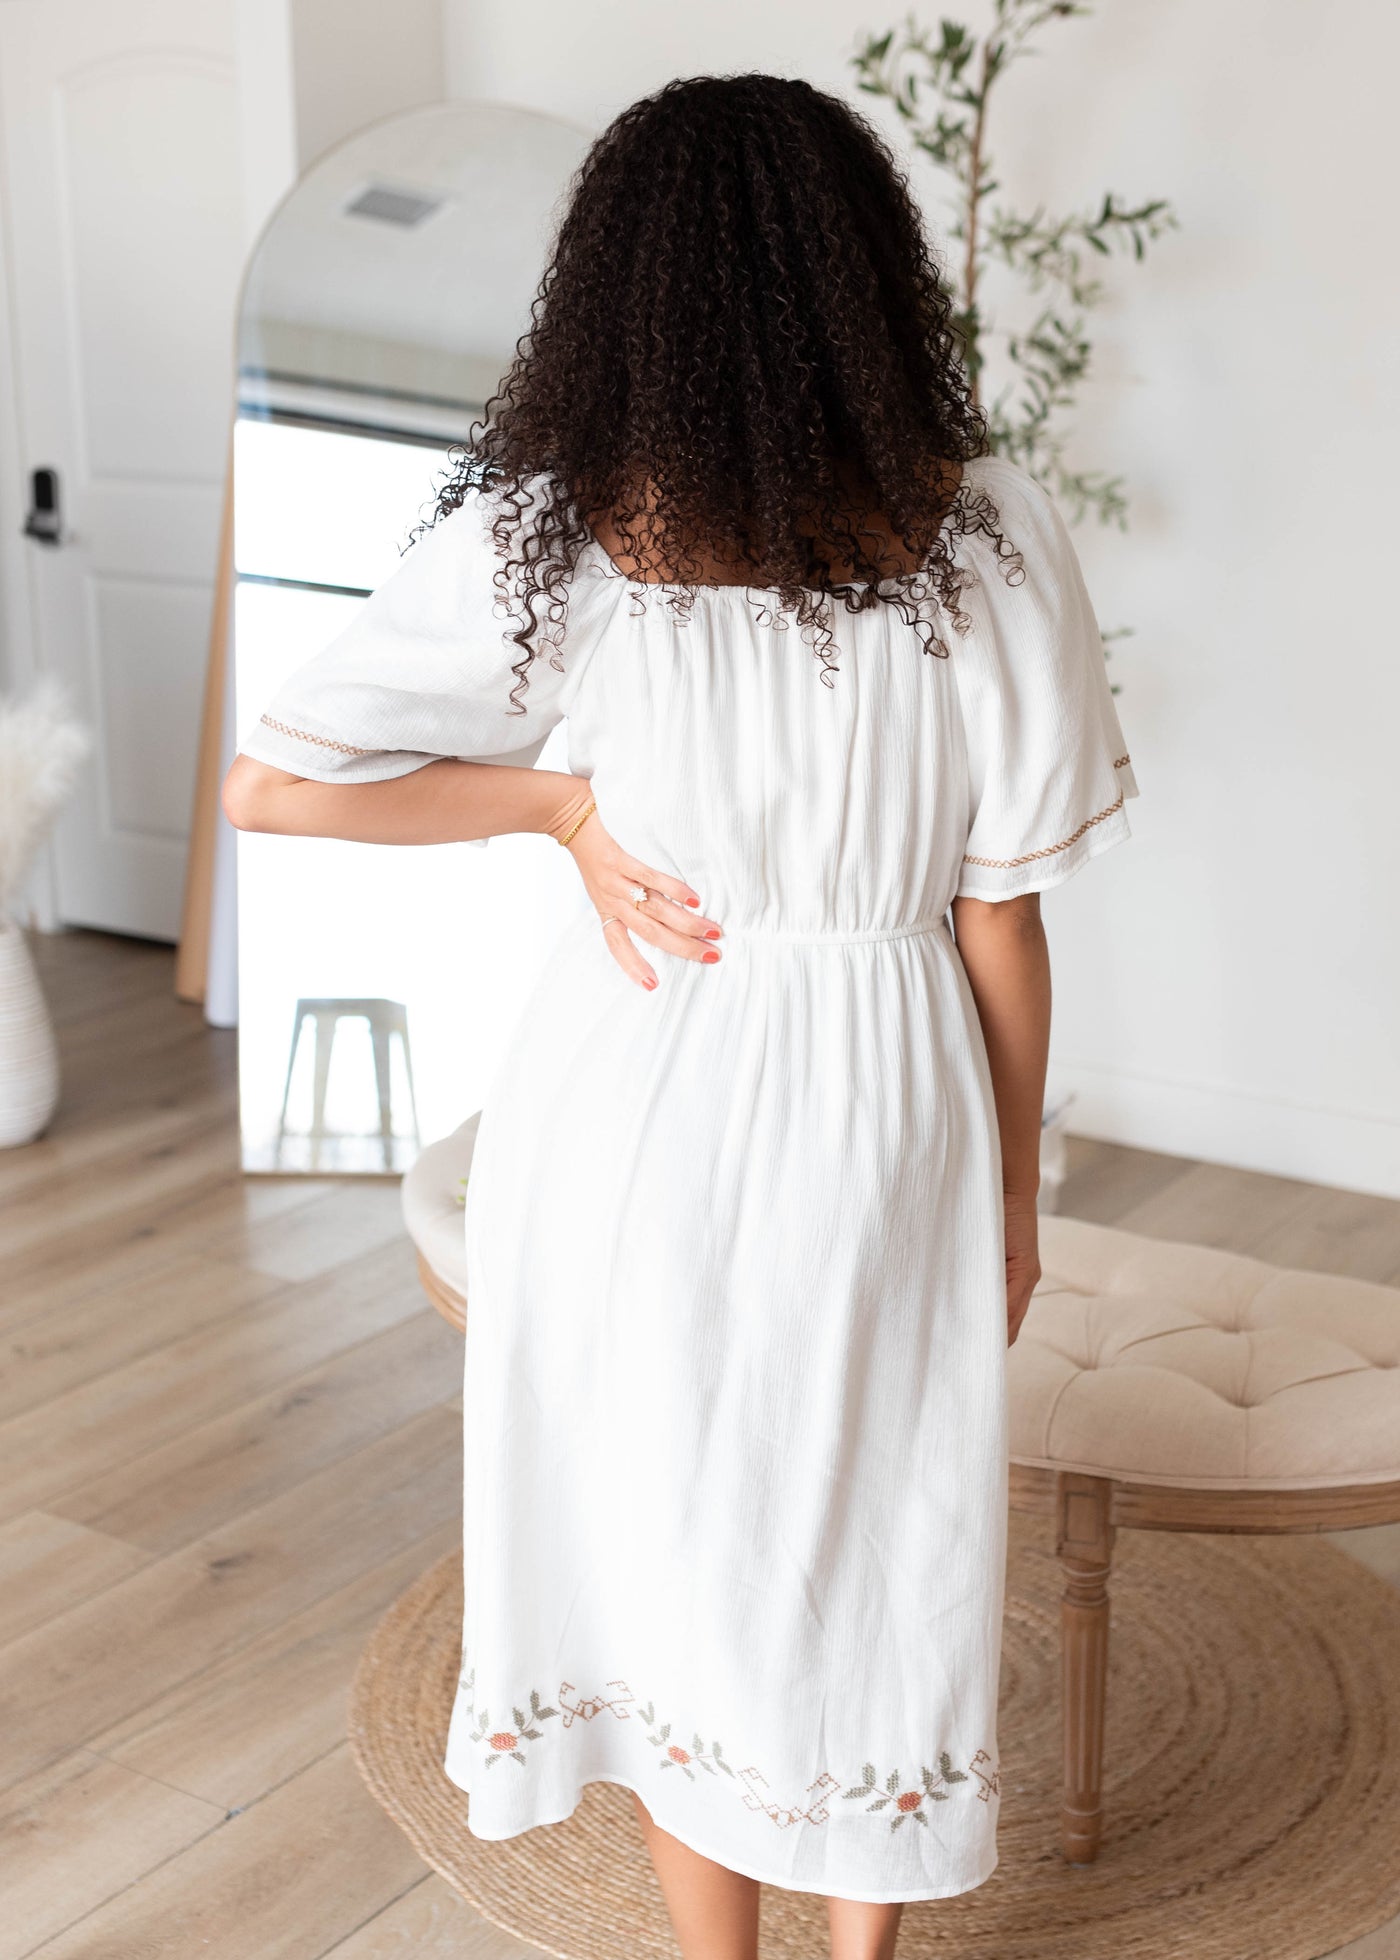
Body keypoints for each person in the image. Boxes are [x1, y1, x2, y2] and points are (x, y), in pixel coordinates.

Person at [223, 72, 1137, 1960]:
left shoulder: (557, 541)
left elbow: (274, 784)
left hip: (634, 1082)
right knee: (888, 1531)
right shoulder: (983, 536)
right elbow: (1002, 916)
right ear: (869, 278)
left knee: (653, 1530)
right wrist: (1019, 1191)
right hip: (890, 1092)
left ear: (614, 292)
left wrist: (558, 808)